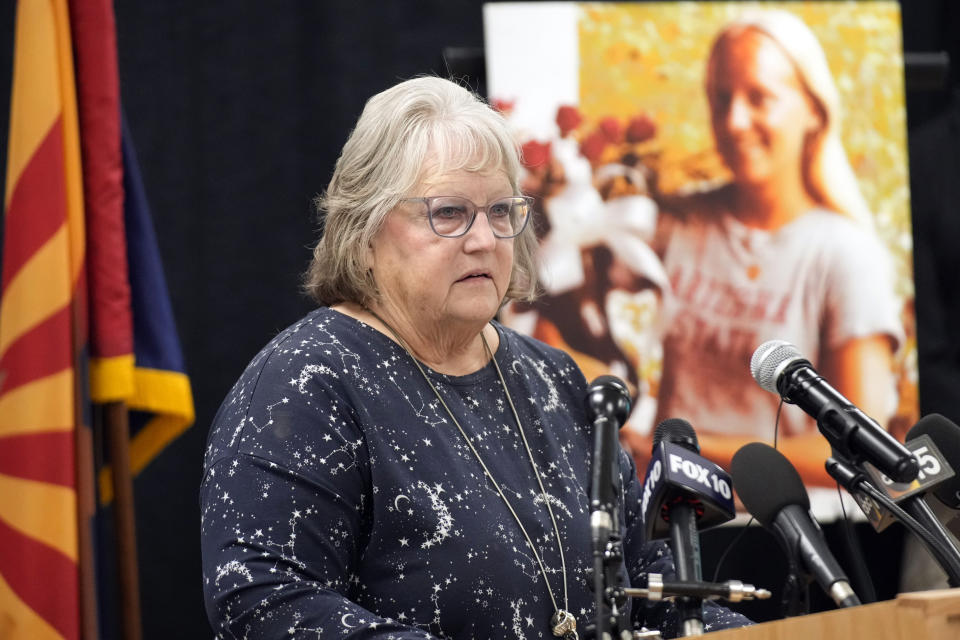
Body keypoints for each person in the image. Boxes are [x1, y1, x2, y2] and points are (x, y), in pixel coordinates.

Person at [199, 77, 751, 639]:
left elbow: (651, 585)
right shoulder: (307, 382)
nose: (484, 239)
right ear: (364, 227)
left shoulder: (557, 378)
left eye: (501, 212)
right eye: (448, 213)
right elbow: (265, 605)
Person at [651, 10, 904, 486]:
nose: (734, 121)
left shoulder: (846, 253)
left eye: (759, 97)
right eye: (721, 98)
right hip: (671, 527)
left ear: (814, 109)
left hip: (791, 533)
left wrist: (685, 452)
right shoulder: (673, 224)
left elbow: (869, 451)